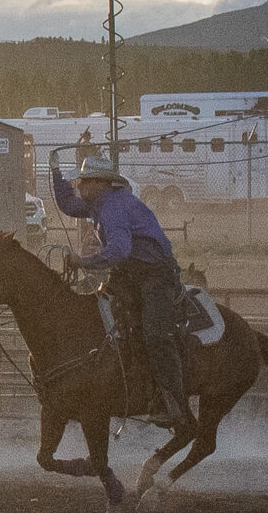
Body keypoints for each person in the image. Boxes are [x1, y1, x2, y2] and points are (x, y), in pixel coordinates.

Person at [54, 156, 193, 430]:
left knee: (155, 333)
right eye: (79, 181)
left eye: (85, 181)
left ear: (101, 183)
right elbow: (68, 204)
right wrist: (55, 171)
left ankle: (173, 402)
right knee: (100, 316)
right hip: (131, 273)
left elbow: (119, 250)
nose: (79, 185)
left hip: (156, 274)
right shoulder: (100, 203)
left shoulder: (113, 209)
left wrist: (83, 261)